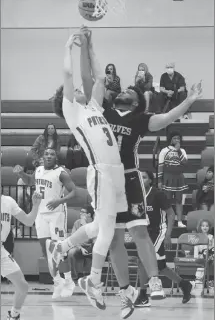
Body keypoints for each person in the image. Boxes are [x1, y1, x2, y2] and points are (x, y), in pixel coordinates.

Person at [78, 27, 202, 318]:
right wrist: (89, 45)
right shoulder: (103, 110)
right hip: (106, 180)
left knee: (139, 230)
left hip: (130, 176)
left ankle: (155, 280)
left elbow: (170, 117)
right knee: (114, 240)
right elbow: (93, 78)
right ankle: (124, 295)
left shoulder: (142, 118)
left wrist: (190, 100)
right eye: (120, 89)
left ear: (135, 100)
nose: (122, 90)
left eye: (128, 91)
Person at [48, 29, 128, 312]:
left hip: (115, 171)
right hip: (102, 171)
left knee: (98, 227)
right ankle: (92, 281)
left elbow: (100, 78)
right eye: (76, 92)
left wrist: (90, 47)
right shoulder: (72, 111)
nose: (81, 90)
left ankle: (63, 245)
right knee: (106, 231)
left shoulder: (93, 105)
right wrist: (68, 47)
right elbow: (69, 78)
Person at [13, 148, 76, 299]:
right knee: (45, 249)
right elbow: (29, 181)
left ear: (56, 158)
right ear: (42, 157)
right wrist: (21, 174)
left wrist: (59, 200)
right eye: (46, 154)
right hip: (40, 213)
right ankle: (57, 282)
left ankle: (68, 281)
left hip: (56, 213)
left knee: (59, 248)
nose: (48, 156)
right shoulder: (39, 170)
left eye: (52, 154)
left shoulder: (61, 172)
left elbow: (74, 191)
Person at [135, 171, 192, 307]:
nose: (141, 180)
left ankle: (143, 295)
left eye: (144, 177)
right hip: (145, 232)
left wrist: (168, 235)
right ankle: (184, 284)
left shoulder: (158, 194)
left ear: (150, 180)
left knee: (142, 260)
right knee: (161, 267)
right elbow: (137, 214)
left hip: (158, 232)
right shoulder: (136, 195)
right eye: (139, 177)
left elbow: (171, 214)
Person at [1, 191, 42, 320]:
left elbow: (29, 221)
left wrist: (35, 206)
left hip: (1, 249)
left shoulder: (8, 201)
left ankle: (14, 315)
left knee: (23, 286)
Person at [158, 131, 188, 228]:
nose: (177, 140)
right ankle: (166, 221)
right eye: (174, 138)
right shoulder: (164, 150)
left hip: (179, 177)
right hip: (168, 177)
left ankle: (179, 221)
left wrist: (178, 151)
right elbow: (160, 166)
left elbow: (185, 163)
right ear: (170, 139)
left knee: (179, 200)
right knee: (167, 200)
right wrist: (159, 181)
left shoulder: (182, 151)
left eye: (178, 138)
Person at [68, 206, 94, 283]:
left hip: (90, 247)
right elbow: (73, 238)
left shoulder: (94, 223)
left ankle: (89, 279)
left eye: (83, 212)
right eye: (80, 212)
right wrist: (80, 248)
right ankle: (74, 278)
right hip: (78, 246)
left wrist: (85, 225)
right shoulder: (77, 223)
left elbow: (94, 238)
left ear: (89, 214)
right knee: (71, 253)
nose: (80, 213)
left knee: (94, 252)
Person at [194, 219, 214, 286]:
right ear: (200, 227)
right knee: (205, 253)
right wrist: (195, 256)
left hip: (210, 254)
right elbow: (196, 247)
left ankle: (211, 281)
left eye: (207, 226)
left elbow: (213, 247)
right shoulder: (197, 236)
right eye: (203, 226)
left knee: (210, 251)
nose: (205, 227)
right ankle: (199, 279)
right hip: (202, 255)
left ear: (209, 227)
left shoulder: (211, 237)